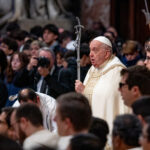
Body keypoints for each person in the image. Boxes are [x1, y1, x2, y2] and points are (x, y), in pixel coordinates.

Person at [75, 36, 129, 131]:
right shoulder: (92, 70)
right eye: (90, 50)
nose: (90, 54)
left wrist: (84, 91)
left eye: (95, 50)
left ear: (107, 53)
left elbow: (108, 97)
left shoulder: (118, 71)